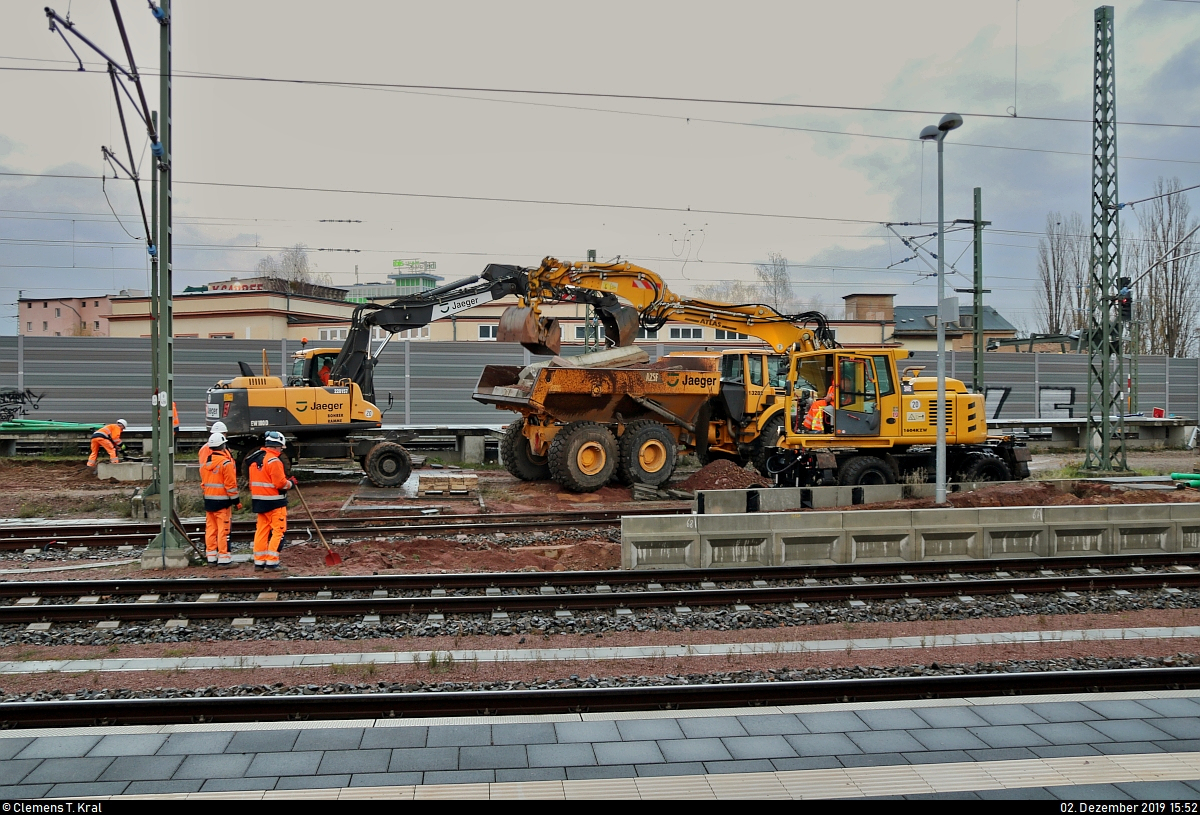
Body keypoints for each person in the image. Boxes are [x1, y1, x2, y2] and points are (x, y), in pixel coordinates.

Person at [246, 430, 296, 570]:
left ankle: (259, 561)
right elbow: (280, 484)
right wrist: (291, 483)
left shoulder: (256, 459)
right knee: (278, 531)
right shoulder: (274, 461)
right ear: (276, 446)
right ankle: (272, 562)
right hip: (275, 502)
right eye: (281, 447)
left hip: (259, 501)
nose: (281, 450)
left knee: (262, 531)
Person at [200, 432, 240, 566]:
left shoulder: (206, 462)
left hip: (209, 501)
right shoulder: (225, 463)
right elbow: (231, 485)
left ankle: (211, 557)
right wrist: (236, 501)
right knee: (223, 531)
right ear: (223, 446)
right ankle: (224, 559)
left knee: (211, 530)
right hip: (222, 502)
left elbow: (204, 483)